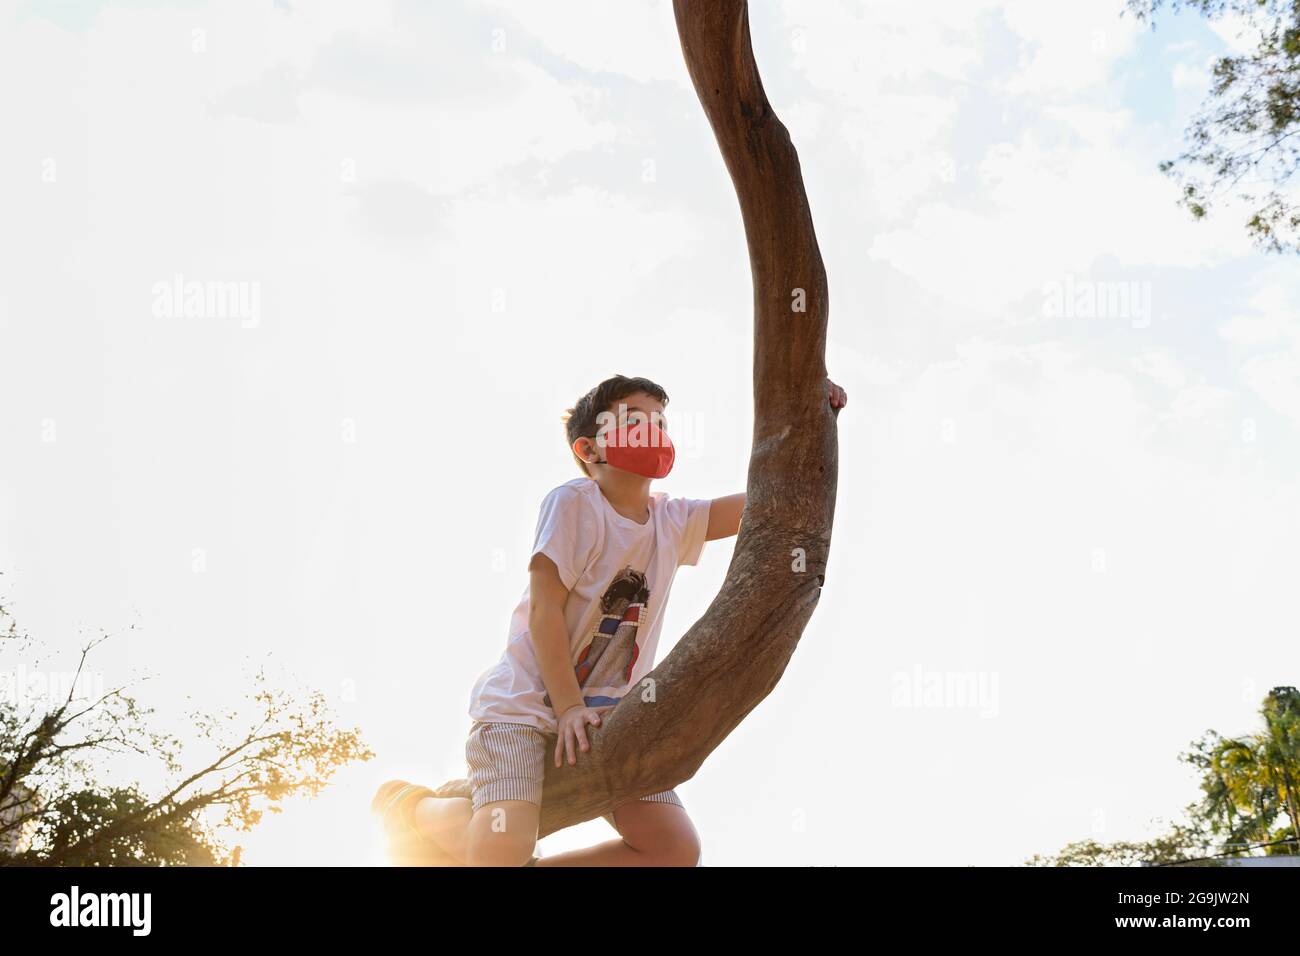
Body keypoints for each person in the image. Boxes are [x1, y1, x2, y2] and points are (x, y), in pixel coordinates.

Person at [373, 374, 847, 866]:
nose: (653, 432)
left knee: (674, 850)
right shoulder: (575, 503)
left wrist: (813, 416)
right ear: (589, 447)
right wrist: (569, 706)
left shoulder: (674, 521)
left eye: (660, 423)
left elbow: (770, 499)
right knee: (500, 849)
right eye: (634, 422)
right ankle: (411, 808)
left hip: (609, 720)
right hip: (526, 709)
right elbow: (544, 610)